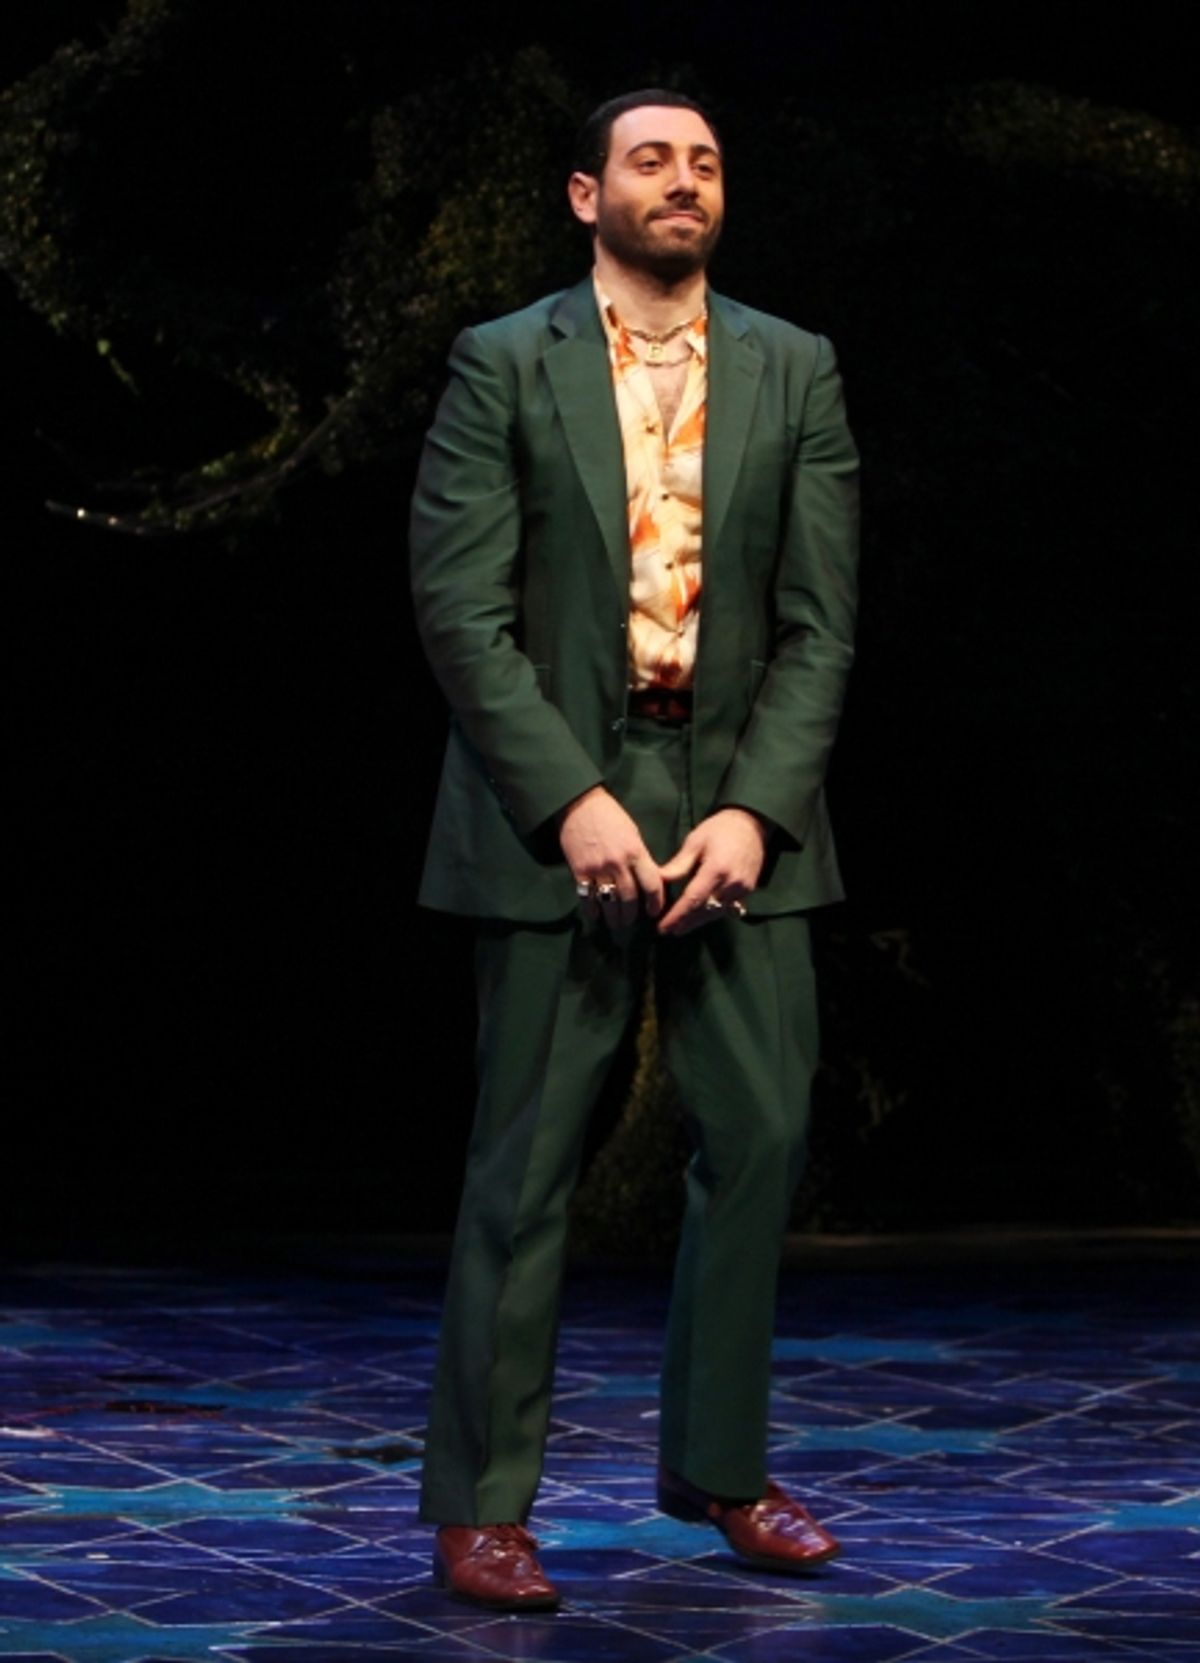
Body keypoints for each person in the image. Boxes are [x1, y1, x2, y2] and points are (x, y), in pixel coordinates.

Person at [409, 88, 859, 1611]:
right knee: (525, 1165)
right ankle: (482, 1505)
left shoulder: (794, 367)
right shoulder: (501, 362)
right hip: (559, 800)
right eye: (653, 161)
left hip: (737, 799)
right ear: (586, 196)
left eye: (708, 162)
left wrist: (754, 808)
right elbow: (461, 611)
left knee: (762, 1138)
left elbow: (820, 623)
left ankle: (719, 1467)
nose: (686, 182)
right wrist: (567, 799)